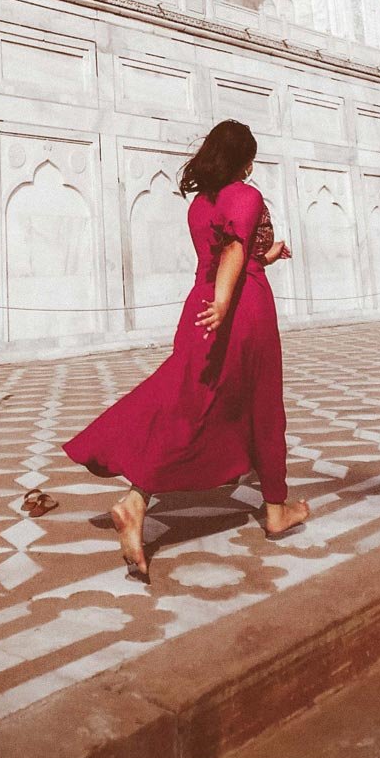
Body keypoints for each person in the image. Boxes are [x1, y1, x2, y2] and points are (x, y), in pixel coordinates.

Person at [63, 119, 309, 581]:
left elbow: (229, 252)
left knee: (188, 405)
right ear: (243, 161)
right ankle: (275, 510)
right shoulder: (246, 194)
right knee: (261, 405)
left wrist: (267, 255)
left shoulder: (200, 204)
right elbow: (235, 251)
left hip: (200, 306)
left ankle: (136, 502)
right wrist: (223, 302)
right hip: (239, 308)